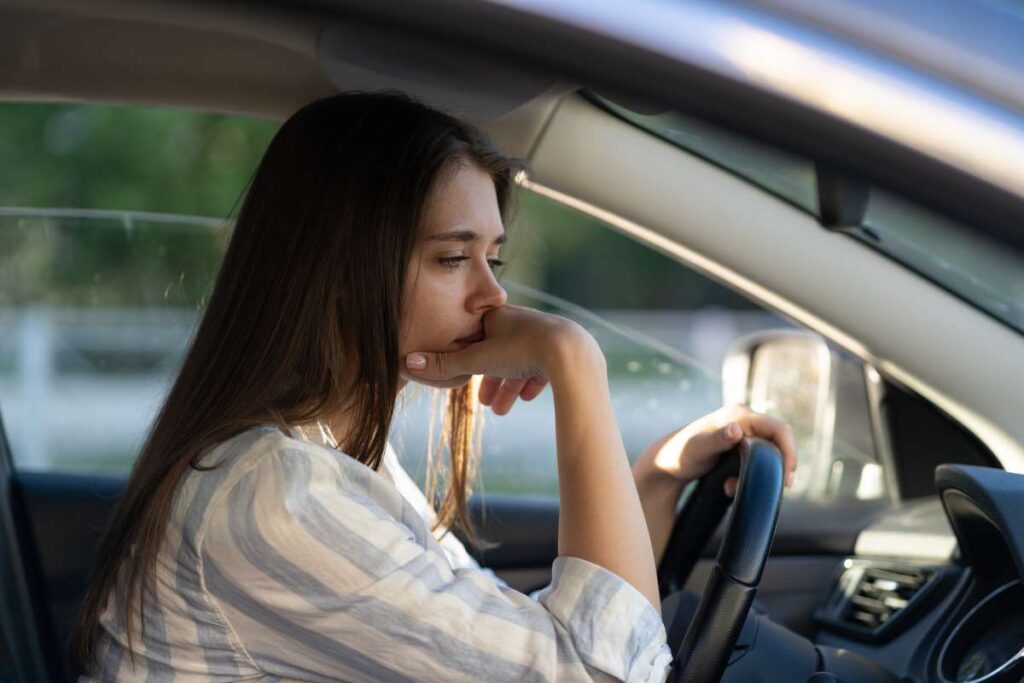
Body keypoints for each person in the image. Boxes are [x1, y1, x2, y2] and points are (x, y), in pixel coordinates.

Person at [72, 91, 796, 682]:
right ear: (340, 271)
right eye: (453, 259)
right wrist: (575, 361)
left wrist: (654, 478)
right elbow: (592, 672)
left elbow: (513, 639)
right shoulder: (276, 496)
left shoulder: (332, 455)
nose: (490, 297)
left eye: (494, 260)